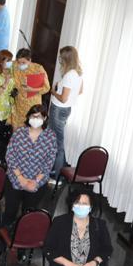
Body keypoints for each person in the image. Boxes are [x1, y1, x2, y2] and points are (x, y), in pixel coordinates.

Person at [1, 104, 56, 230]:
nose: (35, 119)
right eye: (33, 116)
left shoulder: (50, 137)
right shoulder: (19, 133)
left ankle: (22, 240)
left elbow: (49, 163)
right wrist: (20, 178)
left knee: (28, 215)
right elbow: (10, 156)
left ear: (45, 118)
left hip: (36, 183)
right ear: (28, 117)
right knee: (10, 212)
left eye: (39, 117)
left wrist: (35, 181)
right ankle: (4, 240)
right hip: (15, 179)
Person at [48, 45, 83, 178]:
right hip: (65, 109)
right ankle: (58, 170)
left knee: (58, 144)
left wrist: (53, 91)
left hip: (59, 110)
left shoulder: (69, 75)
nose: (59, 60)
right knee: (54, 141)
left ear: (66, 59)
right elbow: (80, 91)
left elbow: (63, 98)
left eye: (61, 58)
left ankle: (57, 176)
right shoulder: (78, 74)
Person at [9, 48, 50, 129]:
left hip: (32, 105)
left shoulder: (38, 69)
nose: (20, 65)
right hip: (19, 104)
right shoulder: (15, 65)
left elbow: (47, 88)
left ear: (30, 60)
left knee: (30, 129)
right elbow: (2, 63)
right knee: (17, 129)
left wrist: (32, 90)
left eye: (23, 62)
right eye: (19, 62)